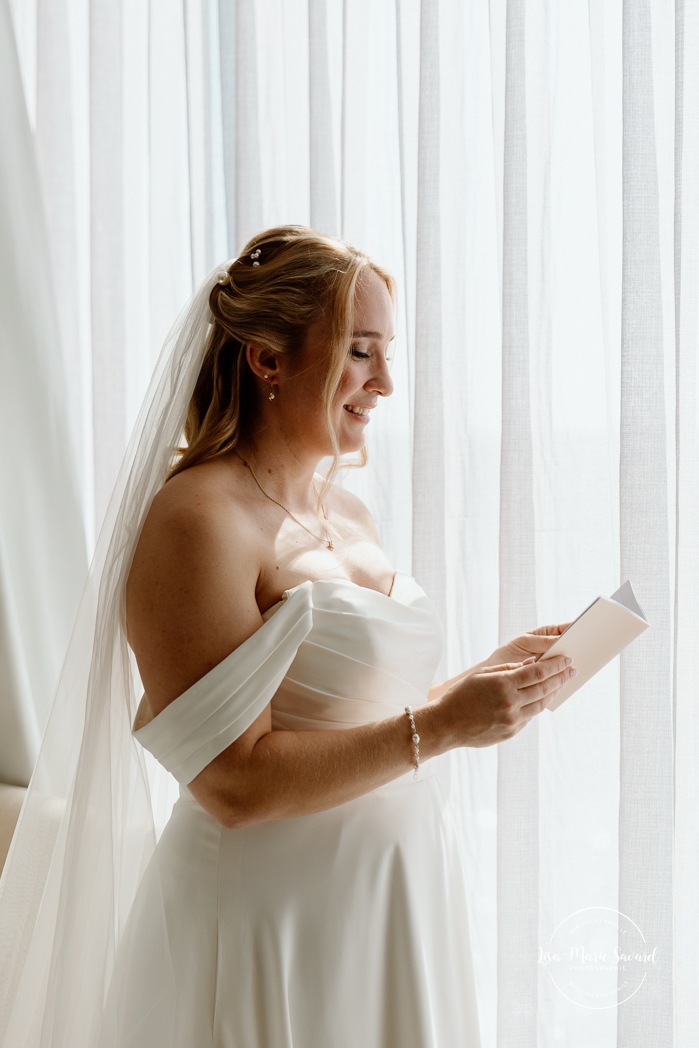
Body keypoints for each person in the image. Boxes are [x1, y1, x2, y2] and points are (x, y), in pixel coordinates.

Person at [0, 226, 574, 1048]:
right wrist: (443, 728)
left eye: (385, 353)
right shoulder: (197, 521)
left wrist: (482, 688)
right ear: (266, 360)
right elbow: (229, 782)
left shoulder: (343, 509)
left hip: (389, 895)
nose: (383, 383)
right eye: (360, 352)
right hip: (271, 915)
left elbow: (350, 715)